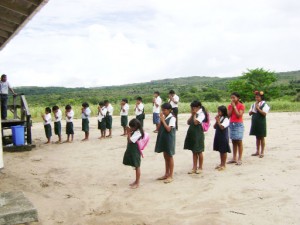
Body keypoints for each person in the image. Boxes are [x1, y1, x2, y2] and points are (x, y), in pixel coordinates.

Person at [155, 103, 176, 184]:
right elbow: (158, 128)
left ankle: (171, 175)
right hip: (163, 139)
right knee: (165, 156)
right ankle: (166, 174)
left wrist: (163, 120)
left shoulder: (172, 118)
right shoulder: (165, 117)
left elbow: (168, 129)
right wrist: (161, 120)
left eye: (164, 110)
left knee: (169, 156)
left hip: (169, 139)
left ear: (169, 110)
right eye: (162, 110)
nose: (163, 112)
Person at [184, 100, 206, 174]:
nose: (192, 109)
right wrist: (192, 115)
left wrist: (194, 115)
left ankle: (200, 167)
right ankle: (194, 167)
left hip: (198, 134)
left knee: (199, 151)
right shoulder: (194, 114)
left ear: (198, 107)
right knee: (193, 151)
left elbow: (196, 122)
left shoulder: (201, 114)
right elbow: (188, 122)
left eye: (193, 108)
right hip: (192, 134)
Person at [123, 119, 144, 189]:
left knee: (137, 166)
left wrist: (128, 132)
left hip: (136, 151)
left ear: (136, 127)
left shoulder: (138, 133)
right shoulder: (135, 131)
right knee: (135, 166)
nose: (131, 128)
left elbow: (130, 141)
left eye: (132, 127)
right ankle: (136, 181)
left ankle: (137, 182)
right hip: (132, 150)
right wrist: (130, 132)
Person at [249, 91, 270, 158]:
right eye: (256, 97)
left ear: (261, 97)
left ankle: (262, 152)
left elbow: (264, 114)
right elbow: (249, 113)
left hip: (261, 122)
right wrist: (253, 110)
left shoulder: (265, 104)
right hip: (255, 122)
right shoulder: (253, 104)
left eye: (258, 97)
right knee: (257, 137)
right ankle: (257, 151)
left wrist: (258, 108)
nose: (256, 98)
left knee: (262, 137)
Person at [227, 92, 245, 166]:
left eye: (234, 97)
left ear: (238, 98)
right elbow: (228, 115)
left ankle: (240, 158)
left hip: (238, 124)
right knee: (233, 141)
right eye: (231, 98)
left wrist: (234, 107)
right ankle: (234, 158)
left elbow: (238, 115)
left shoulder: (241, 106)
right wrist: (231, 107)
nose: (232, 99)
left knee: (239, 141)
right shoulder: (229, 106)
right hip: (232, 124)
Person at [213, 105, 231, 171]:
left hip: (223, 136)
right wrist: (216, 121)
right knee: (220, 150)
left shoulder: (226, 119)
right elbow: (214, 127)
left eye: (219, 111)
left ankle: (224, 165)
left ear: (223, 112)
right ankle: (221, 163)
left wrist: (218, 121)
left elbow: (222, 127)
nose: (218, 113)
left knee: (224, 151)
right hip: (218, 136)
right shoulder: (220, 118)